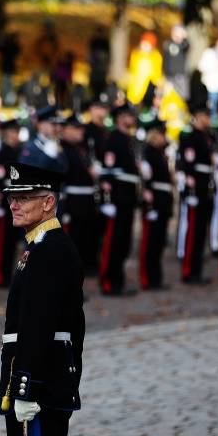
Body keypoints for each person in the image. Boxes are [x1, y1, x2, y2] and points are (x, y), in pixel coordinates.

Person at [0, 161, 84, 436]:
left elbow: (45, 326)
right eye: (12, 197)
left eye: (24, 198)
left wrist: (27, 385)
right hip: (32, 380)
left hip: (41, 384)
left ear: (48, 202)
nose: (14, 204)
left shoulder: (51, 249)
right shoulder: (37, 246)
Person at [98, 104, 140, 296]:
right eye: (129, 115)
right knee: (113, 242)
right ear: (120, 117)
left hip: (128, 196)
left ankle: (119, 281)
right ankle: (108, 282)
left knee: (123, 242)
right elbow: (107, 172)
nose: (133, 118)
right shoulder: (114, 139)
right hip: (117, 196)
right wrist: (107, 201)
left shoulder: (128, 139)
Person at [177, 102, 216, 284]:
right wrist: (190, 190)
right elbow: (188, 164)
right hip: (196, 187)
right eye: (205, 115)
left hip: (205, 186)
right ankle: (189, 271)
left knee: (200, 232)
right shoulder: (191, 137)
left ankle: (196, 270)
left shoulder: (206, 136)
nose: (208, 119)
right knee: (193, 232)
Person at [59, 117, 97, 274]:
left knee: (84, 239)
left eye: (81, 128)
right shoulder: (61, 149)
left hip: (86, 200)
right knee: (71, 241)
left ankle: (81, 270)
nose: (81, 131)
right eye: (76, 128)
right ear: (66, 129)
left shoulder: (82, 148)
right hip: (72, 201)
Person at [139, 118, 174, 290]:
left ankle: (156, 278)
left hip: (163, 199)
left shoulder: (160, 153)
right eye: (161, 134)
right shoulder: (148, 153)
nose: (164, 137)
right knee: (150, 242)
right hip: (154, 200)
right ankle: (148, 278)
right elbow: (145, 178)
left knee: (159, 242)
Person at [0, 119, 24, 288]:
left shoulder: (16, 151)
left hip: (14, 200)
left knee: (10, 241)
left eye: (17, 132)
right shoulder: (3, 151)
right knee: (2, 241)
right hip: (5, 200)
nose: (16, 135)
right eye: (13, 132)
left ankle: (6, 273)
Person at [19, 106, 68, 174]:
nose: (58, 128)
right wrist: (47, 156)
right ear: (40, 125)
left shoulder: (60, 144)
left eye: (59, 124)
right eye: (53, 124)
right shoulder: (31, 147)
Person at [126, 32, 164, 107]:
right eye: (143, 43)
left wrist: (158, 88)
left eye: (148, 44)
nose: (145, 46)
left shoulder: (156, 56)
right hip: (135, 89)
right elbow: (132, 70)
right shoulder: (135, 54)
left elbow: (157, 74)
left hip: (149, 89)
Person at [162, 25, 191, 100]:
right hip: (168, 77)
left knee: (181, 99)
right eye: (175, 33)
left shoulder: (184, 45)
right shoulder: (168, 43)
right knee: (167, 98)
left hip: (180, 77)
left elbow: (187, 45)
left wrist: (184, 38)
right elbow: (171, 50)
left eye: (179, 33)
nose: (177, 35)